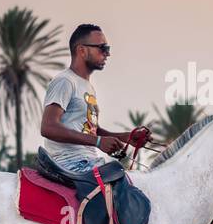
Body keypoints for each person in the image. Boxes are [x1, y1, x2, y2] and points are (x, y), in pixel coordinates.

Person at [39, 23, 146, 173]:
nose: (107, 54)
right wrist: (98, 142)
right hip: (69, 164)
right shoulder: (65, 81)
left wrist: (125, 138)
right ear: (82, 50)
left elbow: (91, 130)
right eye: (103, 48)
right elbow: (48, 127)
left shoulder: (87, 86)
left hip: (87, 161)